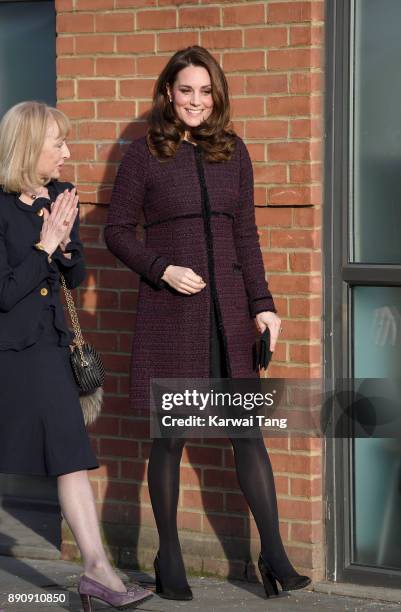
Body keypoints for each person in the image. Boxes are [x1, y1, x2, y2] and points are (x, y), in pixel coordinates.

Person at [104, 46, 311, 600]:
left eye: (205, 90)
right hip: (171, 316)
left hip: (230, 318)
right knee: (170, 439)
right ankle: (168, 554)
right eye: (186, 89)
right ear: (168, 93)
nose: (196, 101)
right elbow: (118, 231)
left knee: (249, 434)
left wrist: (263, 305)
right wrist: (162, 269)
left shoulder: (233, 153)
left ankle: (275, 557)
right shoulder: (144, 155)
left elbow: (247, 234)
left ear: (216, 95)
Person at [0, 101, 152, 611]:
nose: (67, 154)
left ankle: (97, 570)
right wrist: (43, 246)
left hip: (54, 343)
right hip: (14, 350)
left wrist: (63, 248)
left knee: (69, 454)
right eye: (57, 144)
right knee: (68, 453)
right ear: (27, 149)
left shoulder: (63, 195)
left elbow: (76, 275)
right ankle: (98, 572)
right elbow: (3, 293)